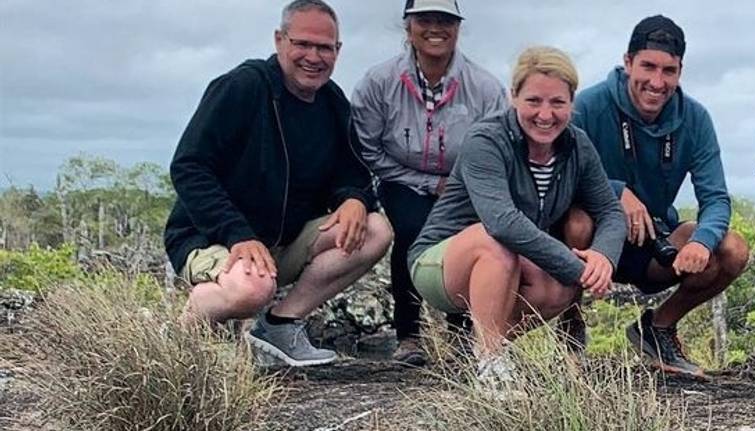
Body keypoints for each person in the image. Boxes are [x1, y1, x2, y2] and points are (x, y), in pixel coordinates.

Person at [164, 0, 393, 367]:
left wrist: (353, 197)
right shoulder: (243, 87)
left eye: (324, 47)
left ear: (338, 51)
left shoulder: (332, 102)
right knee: (252, 288)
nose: (313, 57)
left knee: (375, 228)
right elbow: (189, 166)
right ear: (279, 40)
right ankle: (188, 327)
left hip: (280, 243)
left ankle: (279, 325)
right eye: (302, 44)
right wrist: (237, 233)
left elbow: (351, 171)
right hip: (210, 239)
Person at [407, 46, 625, 383]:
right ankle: (492, 364)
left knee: (560, 290)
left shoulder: (577, 145)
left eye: (557, 103)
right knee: (497, 243)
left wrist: (603, 258)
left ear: (572, 103)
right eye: (534, 101)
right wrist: (581, 270)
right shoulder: (487, 139)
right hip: (442, 262)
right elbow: (502, 223)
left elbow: (609, 209)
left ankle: (479, 348)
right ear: (513, 97)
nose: (545, 114)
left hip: (513, 263)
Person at [573, 15, 750, 380]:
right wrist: (616, 192)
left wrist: (701, 242)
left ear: (680, 71)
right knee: (575, 221)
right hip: (592, 243)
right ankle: (570, 326)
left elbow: (716, 197)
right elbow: (559, 176)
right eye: (648, 66)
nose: (657, 82)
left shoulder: (695, 118)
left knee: (732, 249)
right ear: (627, 62)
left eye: (668, 70)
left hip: (653, 241)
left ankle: (659, 328)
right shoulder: (588, 107)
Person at [350, 0, 507, 367]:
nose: (435, 28)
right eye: (425, 19)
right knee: (411, 229)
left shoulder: (484, 88)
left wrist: (459, 185)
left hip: (465, 182)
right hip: (398, 176)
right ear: (408, 27)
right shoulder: (379, 82)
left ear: (458, 27)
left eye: (445, 20)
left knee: (471, 236)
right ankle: (409, 335)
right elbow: (367, 149)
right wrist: (423, 181)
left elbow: (499, 149)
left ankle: (462, 332)